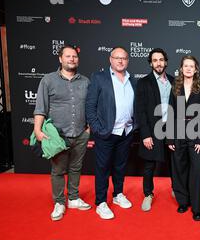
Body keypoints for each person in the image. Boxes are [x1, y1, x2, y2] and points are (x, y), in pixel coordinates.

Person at [33, 45, 91, 221]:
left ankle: (73, 198)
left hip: (80, 134)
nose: (72, 59)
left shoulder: (85, 81)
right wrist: (37, 129)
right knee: (58, 170)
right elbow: (40, 108)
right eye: (68, 56)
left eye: (74, 56)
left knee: (76, 168)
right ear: (60, 59)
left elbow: (90, 106)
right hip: (58, 136)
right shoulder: (48, 80)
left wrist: (89, 129)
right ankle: (59, 202)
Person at [86, 47, 137, 220]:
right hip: (106, 133)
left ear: (127, 60)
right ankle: (101, 202)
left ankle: (118, 194)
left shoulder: (132, 80)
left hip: (126, 131)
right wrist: (97, 128)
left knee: (120, 166)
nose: (120, 61)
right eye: (117, 58)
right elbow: (90, 107)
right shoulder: (99, 78)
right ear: (110, 59)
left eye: (124, 58)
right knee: (102, 168)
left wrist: (134, 125)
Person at [166, 56, 200, 221]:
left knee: (196, 171)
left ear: (196, 69)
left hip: (196, 135)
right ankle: (183, 201)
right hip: (177, 135)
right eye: (186, 66)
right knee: (179, 169)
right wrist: (169, 138)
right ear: (181, 69)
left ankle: (196, 208)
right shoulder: (175, 88)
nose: (189, 69)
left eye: (192, 66)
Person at [136, 48, 174, 212]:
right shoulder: (143, 82)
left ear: (165, 62)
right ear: (151, 63)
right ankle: (148, 194)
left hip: (171, 128)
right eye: (155, 60)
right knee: (149, 164)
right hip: (152, 129)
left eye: (161, 60)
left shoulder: (174, 80)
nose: (158, 63)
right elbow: (140, 110)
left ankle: (176, 189)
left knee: (175, 162)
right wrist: (145, 135)